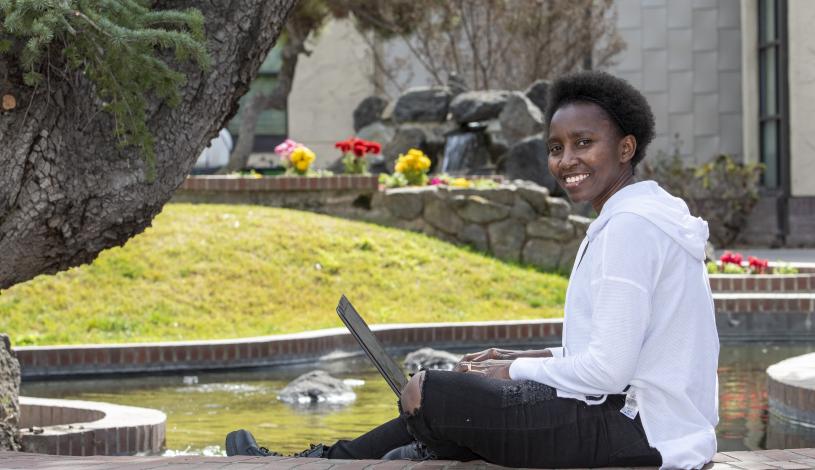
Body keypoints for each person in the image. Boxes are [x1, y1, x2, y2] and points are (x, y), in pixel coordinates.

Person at [225, 71, 719, 469]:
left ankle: (358, 458)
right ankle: (331, 461)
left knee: (433, 392)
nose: (567, 159)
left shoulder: (630, 228)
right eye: (555, 147)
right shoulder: (643, 217)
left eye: (584, 143)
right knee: (453, 391)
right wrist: (519, 356)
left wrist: (509, 369)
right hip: (643, 424)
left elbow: (608, 372)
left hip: (636, 436)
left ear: (626, 148)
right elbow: (619, 353)